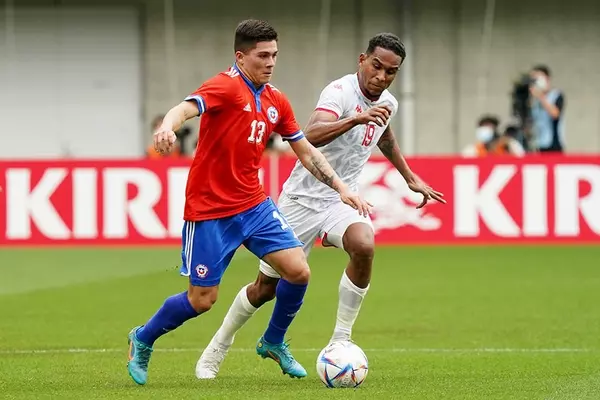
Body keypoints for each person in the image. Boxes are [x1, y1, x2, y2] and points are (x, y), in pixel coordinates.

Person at [126, 19, 371, 385]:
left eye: (274, 55)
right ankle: (143, 338)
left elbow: (305, 150)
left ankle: (273, 341)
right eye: (262, 56)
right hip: (210, 212)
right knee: (201, 300)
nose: (270, 62)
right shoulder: (224, 87)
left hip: (254, 206)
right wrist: (166, 127)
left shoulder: (276, 100)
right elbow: (185, 109)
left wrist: (340, 187)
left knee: (298, 271)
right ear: (241, 57)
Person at [195, 32, 446, 380]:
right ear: (362, 60)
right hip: (301, 200)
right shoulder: (339, 92)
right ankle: (218, 345)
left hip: (342, 198)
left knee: (364, 245)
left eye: (391, 71)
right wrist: (355, 118)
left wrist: (409, 176)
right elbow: (309, 135)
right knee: (265, 288)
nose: (381, 76)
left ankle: (341, 340)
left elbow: (384, 135)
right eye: (376, 66)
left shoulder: (389, 102)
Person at [529, 64, 566, 153]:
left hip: (554, 143)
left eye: (538, 79)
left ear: (547, 79)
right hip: (539, 143)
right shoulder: (534, 100)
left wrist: (541, 97)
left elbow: (555, 114)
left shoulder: (556, 95)